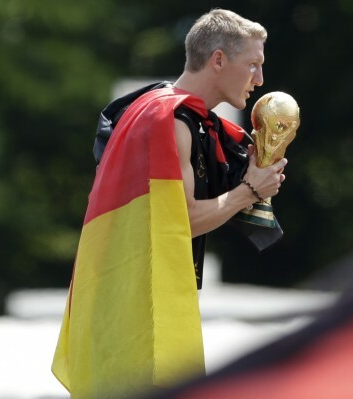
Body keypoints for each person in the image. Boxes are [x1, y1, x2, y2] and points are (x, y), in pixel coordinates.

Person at [52, 9, 286, 398]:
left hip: (120, 301)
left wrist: (255, 176)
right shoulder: (169, 118)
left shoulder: (161, 109)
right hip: (138, 315)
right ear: (218, 60)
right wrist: (250, 190)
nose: (259, 80)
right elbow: (181, 221)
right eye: (253, 65)